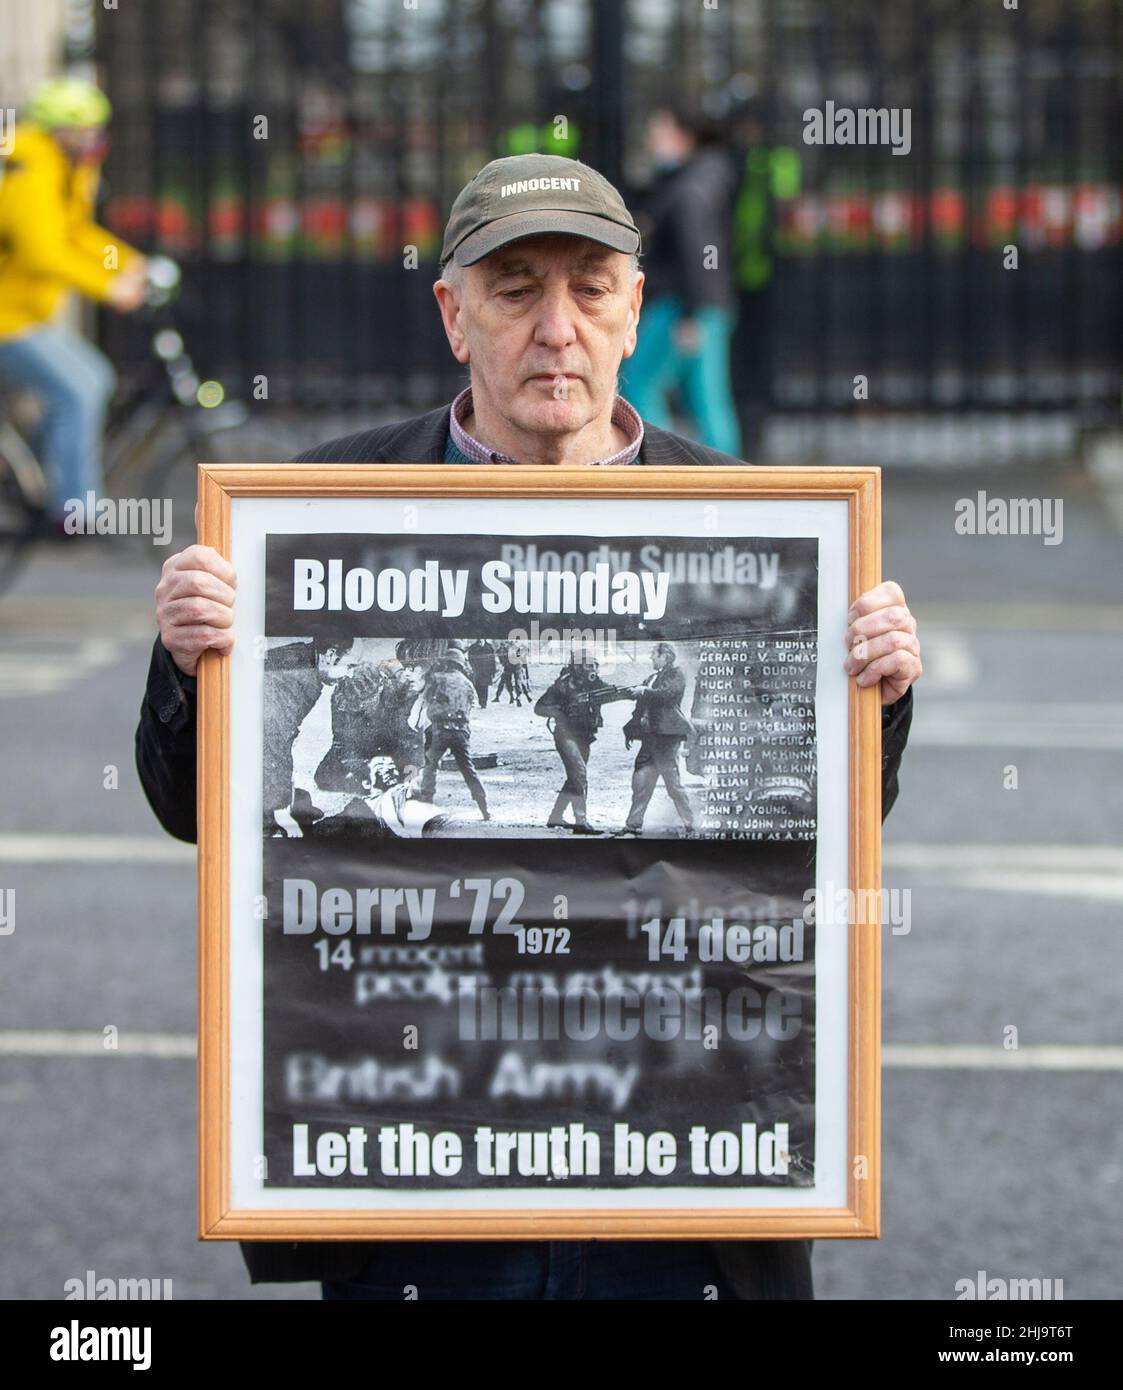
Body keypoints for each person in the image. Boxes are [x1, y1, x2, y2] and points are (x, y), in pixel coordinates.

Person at [135, 151, 923, 1300]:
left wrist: (880, 698)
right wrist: (184, 658)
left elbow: (813, 842)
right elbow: (189, 805)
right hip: (419, 1186)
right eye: (515, 291)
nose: (556, 329)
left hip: (681, 1199)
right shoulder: (313, 513)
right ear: (454, 316)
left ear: (634, 311)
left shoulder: (755, 528)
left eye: (589, 288)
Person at [0, 77, 147, 530]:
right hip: (8, 320)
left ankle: (42, 483)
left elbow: (76, 233)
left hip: (25, 316)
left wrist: (129, 261)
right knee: (80, 388)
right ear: (58, 131)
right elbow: (43, 250)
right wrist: (109, 289)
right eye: (84, 131)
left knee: (90, 380)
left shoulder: (66, 168)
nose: (94, 140)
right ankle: (73, 511)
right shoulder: (29, 168)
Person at [621, 105, 742, 457]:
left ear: (683, 136)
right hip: (705, 304)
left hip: (683, 304)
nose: (652, 141)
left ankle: (665, 466)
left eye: (660, 132)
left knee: (640, 383)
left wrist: (690, 315)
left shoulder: (690, 187)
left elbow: (695, 249)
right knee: (707, 397)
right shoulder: (701, 178)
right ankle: (727, 480)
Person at [535, 651, 631, 834]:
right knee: (579, 773)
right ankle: (581, 822)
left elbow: (611, 693)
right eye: (589, 665)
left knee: (575, 776)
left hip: (585, 736)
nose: (594, 669)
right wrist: (560, 712)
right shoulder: (562, 685)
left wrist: (631, 693)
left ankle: (555, 816)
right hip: (565, 735)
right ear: (578, 667)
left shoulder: (595, 684)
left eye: (596, 665)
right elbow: (539, 707)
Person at [617, 641, 695, 836]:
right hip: (650, 737)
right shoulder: (651, 678)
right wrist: (630, 729)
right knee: (641, 781)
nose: (651, 657)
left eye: (654, 654)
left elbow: (668, 695)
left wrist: (643, 691)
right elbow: (641, 707)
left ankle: (690, 824)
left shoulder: (676, 674)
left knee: (672, 784)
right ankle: (633, 824)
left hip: (667, 737)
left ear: (665, 656)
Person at [414, 648, 490, 820]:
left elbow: (424, 699)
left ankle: (426, 804)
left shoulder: (435, 678)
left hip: (440, 730)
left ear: (446, 662)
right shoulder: (467, 683)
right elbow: (472, 706)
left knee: (431, 766)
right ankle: (484, 807)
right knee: (468, 769)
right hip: (461, 731)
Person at [467, 638, 498, 706]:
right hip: (477, 671)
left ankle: (484, 703)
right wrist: (472, 667)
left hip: (486, 671)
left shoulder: (489, 647)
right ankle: (481, 700)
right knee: (477, 686)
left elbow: (493, 660)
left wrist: (493, 671)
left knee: (485, 687)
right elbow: (470, 658)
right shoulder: (473, 647)